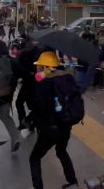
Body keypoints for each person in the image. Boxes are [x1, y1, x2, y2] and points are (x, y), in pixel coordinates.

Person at [29, 51, 78, 189]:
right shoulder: (67, 79)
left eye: (39, 66)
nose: (36, 68)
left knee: (34, 158)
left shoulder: (43, 85)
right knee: (61, 151)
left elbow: (37, 107)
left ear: (45, 67)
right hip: (66, 126)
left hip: (50, 130)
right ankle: (73, 182)